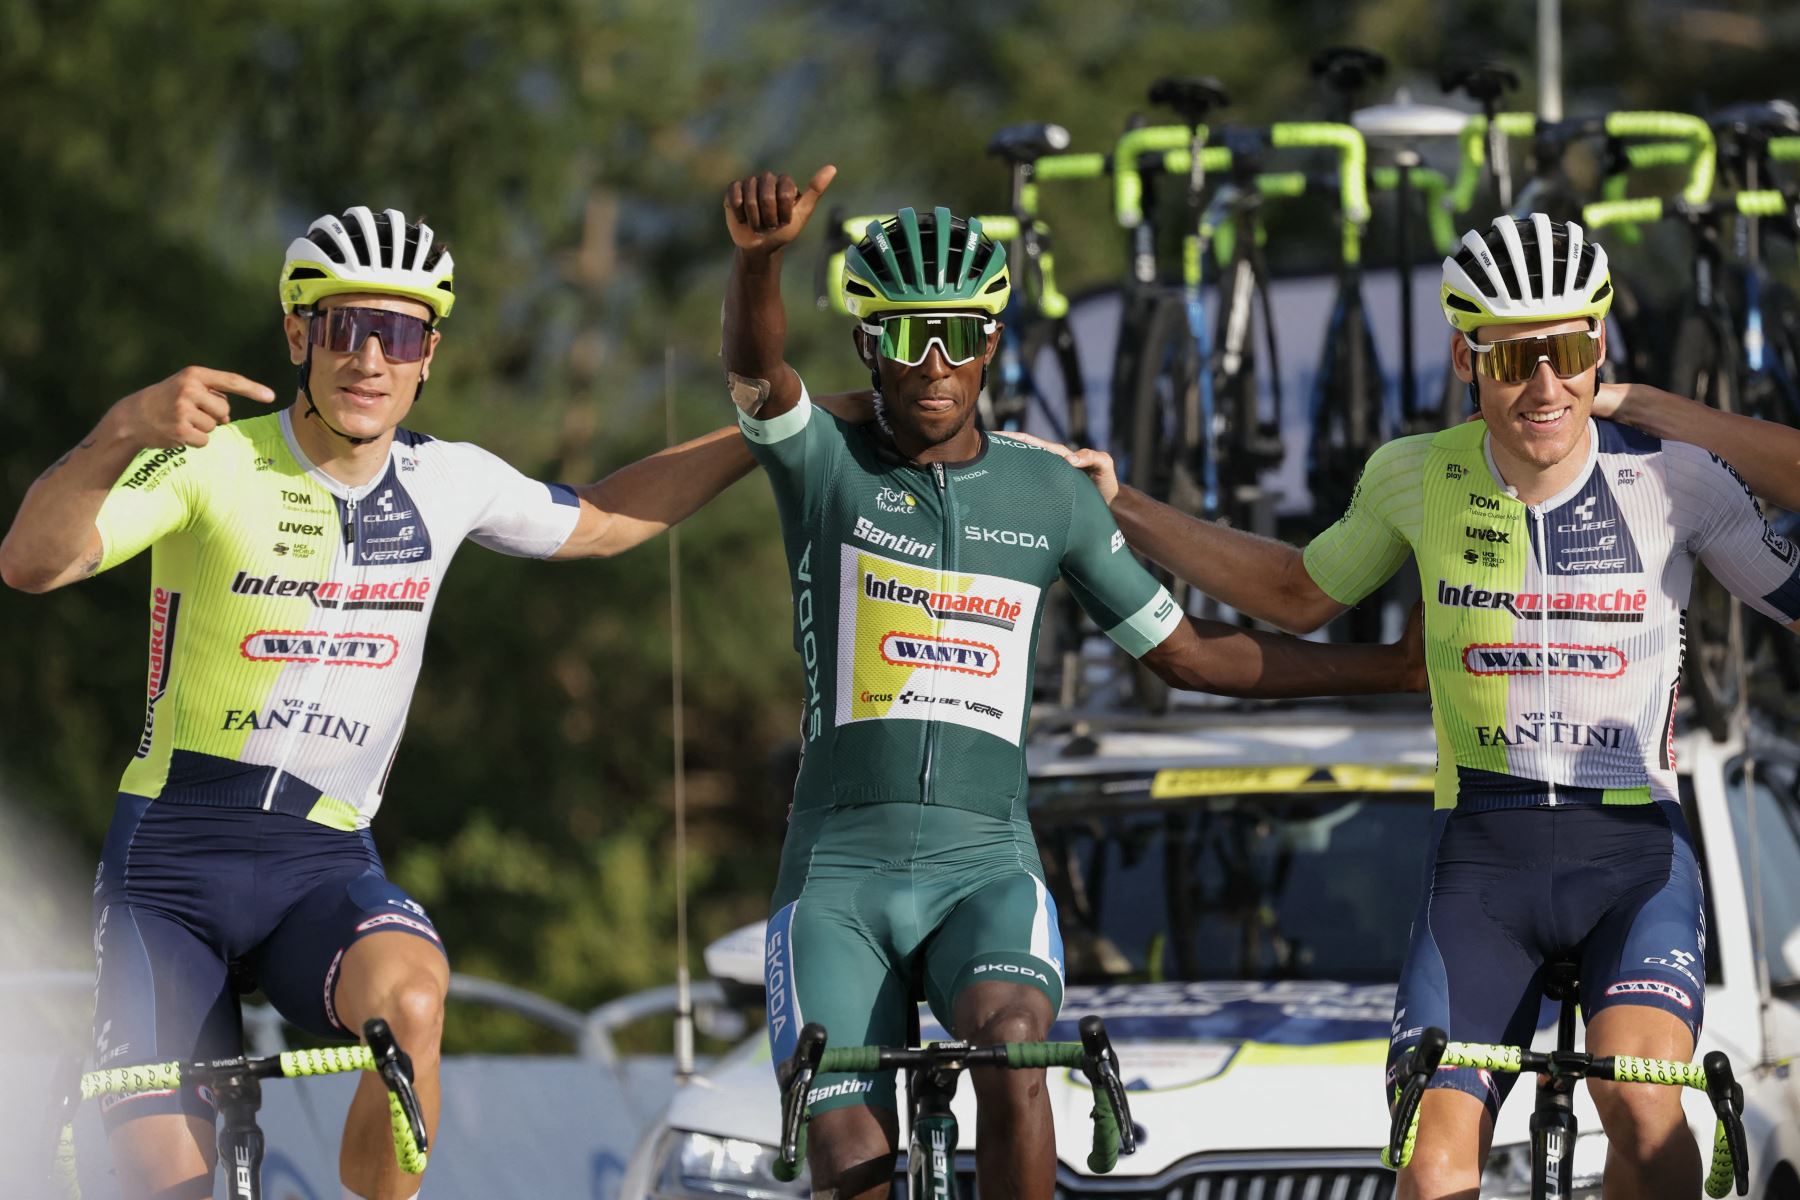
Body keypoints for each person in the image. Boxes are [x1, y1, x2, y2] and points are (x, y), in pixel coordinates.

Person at [1025, 213, 1800, 1200]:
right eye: (1515, 358)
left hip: (1635, 860)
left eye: (1569, 351)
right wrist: (1122, 503)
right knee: (1432, 1161)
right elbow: (1296, 595)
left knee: (1644, 1107)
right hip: (1482, 860)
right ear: (1464, 358)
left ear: (1599, 349)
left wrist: (1651, 403)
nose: (1545, 386)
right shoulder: (1416, 474)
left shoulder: (1673, 481)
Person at [0, 206, 763, 1200]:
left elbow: (608, 522)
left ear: (427, 355)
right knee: (170, 1184)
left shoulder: (448, 482)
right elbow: (28, 563)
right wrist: (117, 434)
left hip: (322, 862)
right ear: (297, 334)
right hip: (170, 871)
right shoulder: (214, 462)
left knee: (410, 1006)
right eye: (343, 326)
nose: (367, 357)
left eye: (396, 333)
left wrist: (769, 431)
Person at [719, 165, 1427, 1200]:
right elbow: (753, 369)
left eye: (956, 333)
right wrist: (761, 258)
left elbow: (1190, 655)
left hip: (984, 863)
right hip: (837, 875)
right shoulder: (825, 466)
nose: (931, 364)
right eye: (903, 336)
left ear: (990, 342)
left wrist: (1397, 672)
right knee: (849, 1160)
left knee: (1016, 1059)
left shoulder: (1047, 493)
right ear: (866, 343)